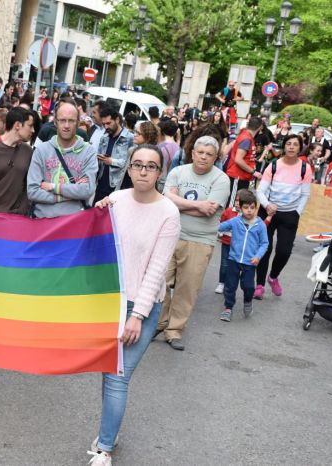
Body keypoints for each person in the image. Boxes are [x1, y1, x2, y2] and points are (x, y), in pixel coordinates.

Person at [88, 145, 180, 466]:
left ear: (159, 173)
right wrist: (97, 211)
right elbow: (96, 243)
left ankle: (105, 448)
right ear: (128, 168)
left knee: (117, 377)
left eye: (150, 166)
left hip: (141, 306)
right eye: (137, 164)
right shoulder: (115, 201)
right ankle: (109, 432)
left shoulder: (168, 212)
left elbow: (157, 270)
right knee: (107, 372)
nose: (143, 171)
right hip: (109, 302)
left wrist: (138, 316)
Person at [156, 136, 230, 350]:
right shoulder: (178, 172)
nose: (204, 157)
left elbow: (209, 211)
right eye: (200, 152)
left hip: (200, 240)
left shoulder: (221, 179)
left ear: (216, 157)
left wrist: (178, 203)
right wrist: (196, 205)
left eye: (209, 154)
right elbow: (165, 199)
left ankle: (174, 330)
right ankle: (158, 323)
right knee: (159, 283)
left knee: (187, 289)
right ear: (193, 152)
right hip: (170, 236)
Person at [255, 134, 313, 299]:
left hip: (290, 214)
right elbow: (260, 190)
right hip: (268, 212)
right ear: (284, 146)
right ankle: (259, 285)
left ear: (300, 147)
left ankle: (273, 277)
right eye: (289, 143)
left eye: (295, 144)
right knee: (265, 249)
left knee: (284, 252)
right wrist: (267, 205)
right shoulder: (273, 165)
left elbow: (305, 194)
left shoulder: (305, 168)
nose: (292, 147)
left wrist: (297, 212)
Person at [27, 100, 98, 218]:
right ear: (55, 122)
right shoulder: (42, 150)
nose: (66, 126)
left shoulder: (88, 152)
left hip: (74, 222)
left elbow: (87, 190)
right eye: (62, 120)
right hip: (42, 221)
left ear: (77, 123)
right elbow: (32, 191)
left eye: (71, 121)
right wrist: (65, 195)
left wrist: (53, 187)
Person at [217, 189, 269, 322]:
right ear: (240, 208)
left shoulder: (260, 225)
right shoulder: (235, 221)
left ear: (256, 208)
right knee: (230, 285)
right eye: (246, 207)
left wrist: (258, 256)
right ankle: (228, 308)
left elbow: (264, 243)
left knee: (248, 286)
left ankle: (247, 301)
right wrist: (209, 223)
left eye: (252, 207)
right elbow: (220, 226)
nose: (249, 210)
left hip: (250, 262)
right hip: (234, 259)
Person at [94, 106, 133, 203]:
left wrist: (112, 161)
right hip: (100, 184)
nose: (106, 127)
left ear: (117, 120)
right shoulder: (105, 137)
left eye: (108, 123)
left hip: (117, 187)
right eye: (104, 124)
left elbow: (130, 164)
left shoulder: (129, 138)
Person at [224, 116, 263, 206]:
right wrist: (254, 172)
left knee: (236, 205)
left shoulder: (246, 136)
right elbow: (238, 159)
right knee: (232, 205)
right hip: (237, 177)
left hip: (242, 177)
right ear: (260, 127)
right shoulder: (246, 138)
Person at [215, 193, 240, 294]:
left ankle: (230, 285)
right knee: (224, 264)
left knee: (235, 265)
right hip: (226, 242)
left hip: (239, 245)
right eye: (236, 201)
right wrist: (220, 233)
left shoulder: (246, 214)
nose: (238, 203)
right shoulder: (229, 211)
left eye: (240, 201)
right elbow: (221, 222)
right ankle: (221, 283)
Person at [157, 119, 181, 192]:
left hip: (161, 184)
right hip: (174, 184)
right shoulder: (179, 148)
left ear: (162, 131)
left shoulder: (159, 147)